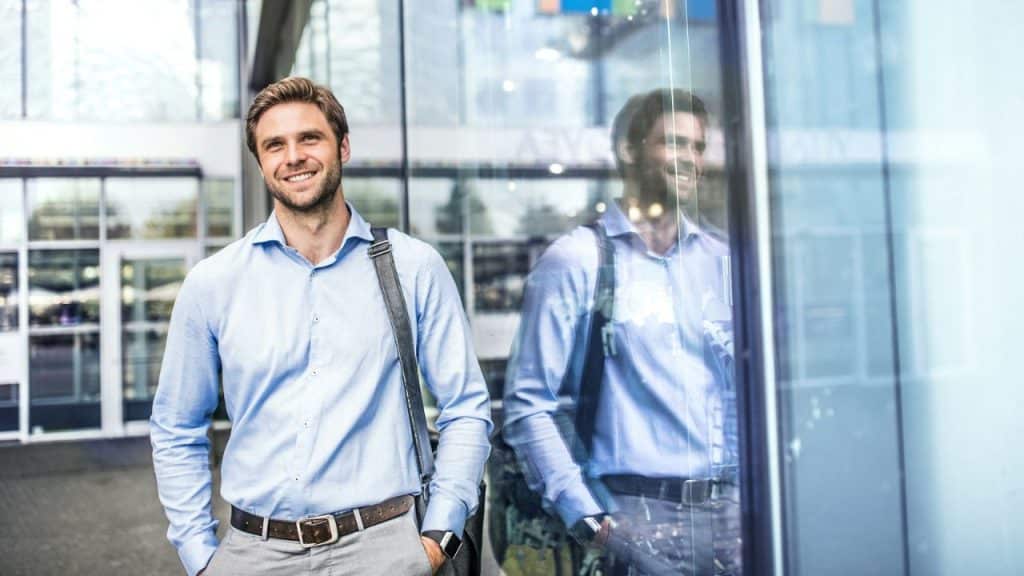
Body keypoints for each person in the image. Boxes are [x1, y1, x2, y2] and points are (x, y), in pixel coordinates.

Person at [151, 77, 492, 576]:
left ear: (343, 147)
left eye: (309, 138)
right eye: (275, 145)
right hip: (254, 553)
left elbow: (466, 407)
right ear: (262, 162)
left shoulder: (413, 266)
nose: (293, 156)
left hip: (388, 551)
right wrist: (200, 556)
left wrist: (439, 533)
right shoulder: (213, 284)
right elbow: (177, 428)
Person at [502, 88, 741, 575]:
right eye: (673, 143)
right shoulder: (578, 259)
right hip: (633, 513)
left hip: (729, 515)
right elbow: (528, 403)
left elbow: (739, 391)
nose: (690, 160)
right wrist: (588, 517)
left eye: (697, 147)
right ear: (630, 151)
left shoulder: (721, 261)